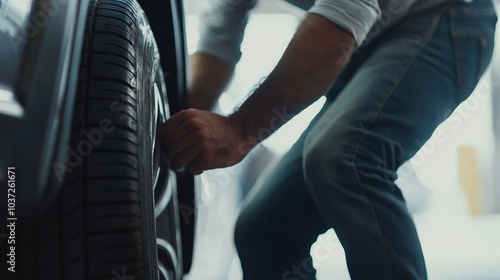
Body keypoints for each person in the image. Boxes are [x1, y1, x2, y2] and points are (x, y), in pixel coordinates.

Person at [161, 0, 497, 279]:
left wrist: (239, 129)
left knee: (343, 156)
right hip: (367, 45)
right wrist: (173, 133)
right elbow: (218, 41)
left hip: (444, 18)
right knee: (264, 232)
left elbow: (345, 13)